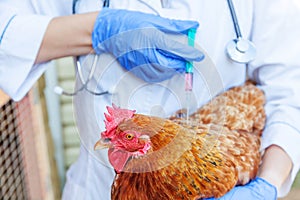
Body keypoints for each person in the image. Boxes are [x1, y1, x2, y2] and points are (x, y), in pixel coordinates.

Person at [1, 0, 300, 199]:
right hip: (95, 187)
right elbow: (7, 34)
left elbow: (290, 89)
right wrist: (96, 29)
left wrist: (267, 185)